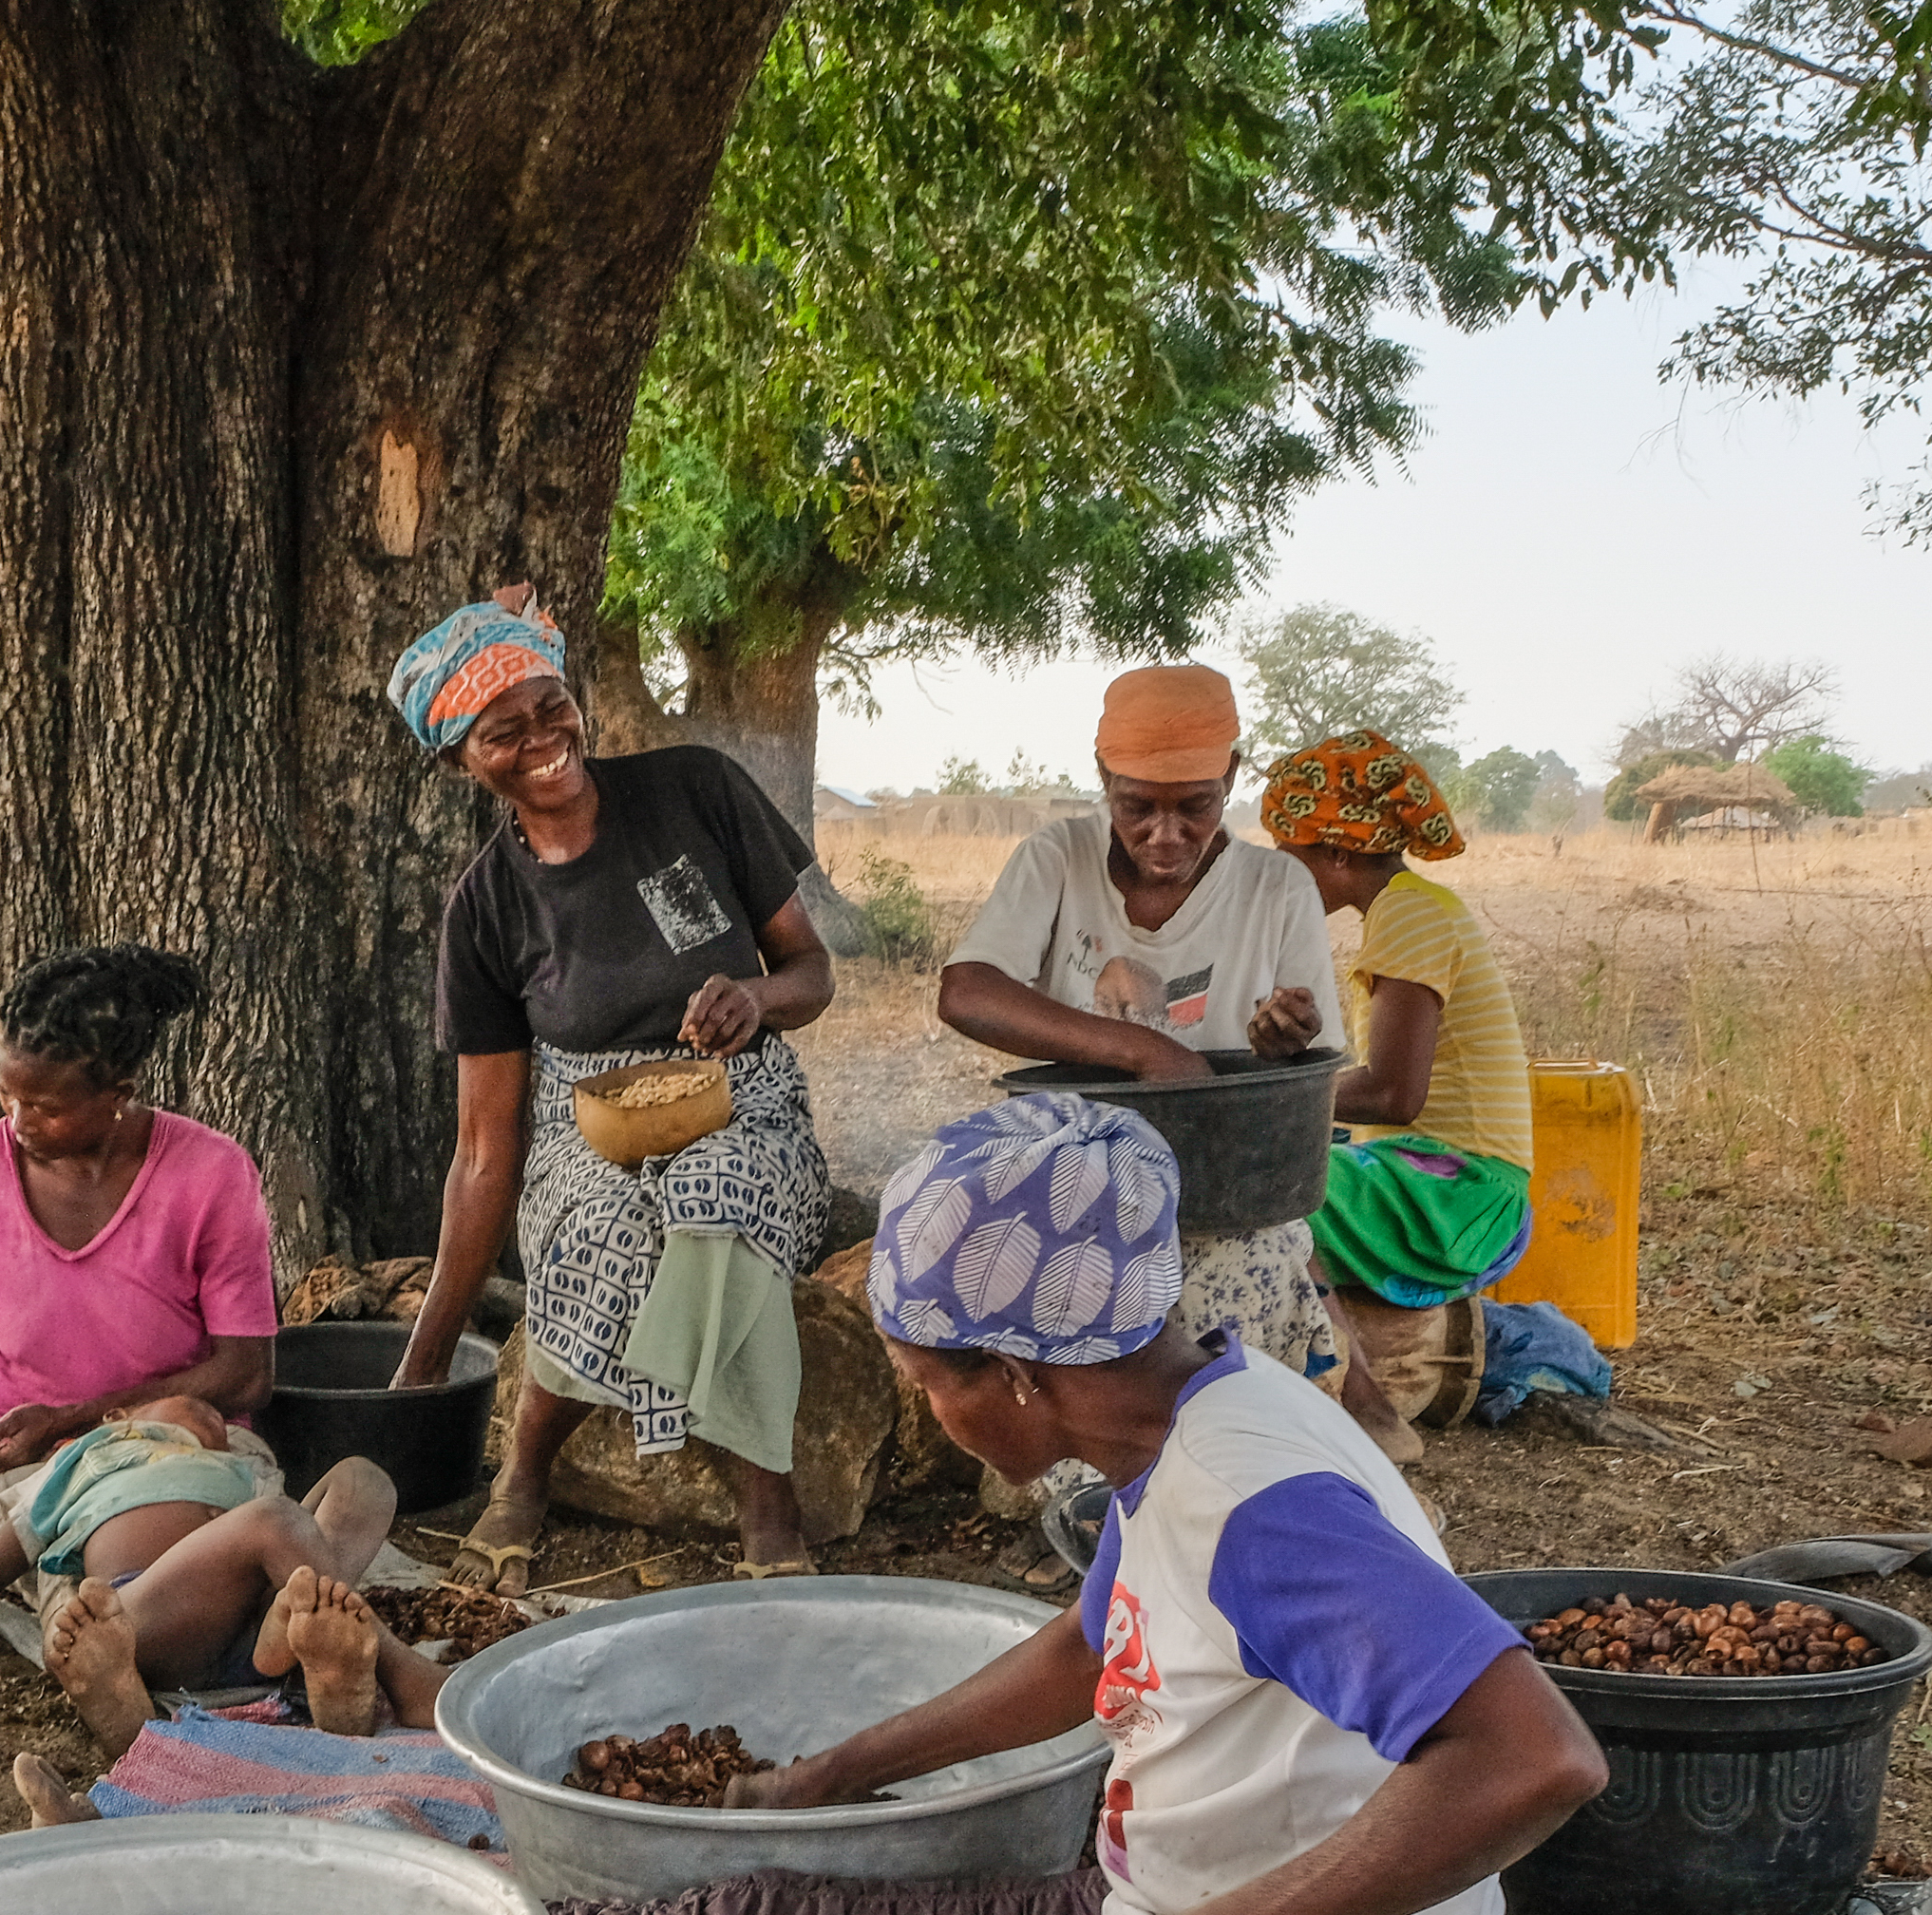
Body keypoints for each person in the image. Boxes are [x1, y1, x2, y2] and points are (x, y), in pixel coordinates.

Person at [473, 1092, 1609, 1915]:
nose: (927, 1409)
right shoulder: (1195, 1407)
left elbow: (1535, 1756)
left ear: (1017, 1372)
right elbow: (1087, 1648)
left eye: (926, 1384)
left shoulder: (1260, 1508)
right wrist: (829, 1772)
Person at [387, 589, 837, 1587]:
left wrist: (757, 999)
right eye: (504, 732)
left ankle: (768, 1499)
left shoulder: (694, 790)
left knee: (716, 1199)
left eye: (553, 708)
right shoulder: (485, 910)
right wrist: (423, 1363)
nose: (543, 739)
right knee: (600, 1230)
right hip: (585, 1129)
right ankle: (527, 1470)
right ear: (461, 759)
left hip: (743, 1097)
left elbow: (813, 972)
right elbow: (483, 1145)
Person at [937, 663, 1350, 1384]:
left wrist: (1280, 1041)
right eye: (1136, 807)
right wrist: (1147, 1052)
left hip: (1219, 1181)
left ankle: (1222, 1447)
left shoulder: (1276, 888)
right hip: (1070, 1164)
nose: (1165, 834)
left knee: (1239, 1268)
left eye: (1196, 805)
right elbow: (967, 992)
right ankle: (1086, 1478)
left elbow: (1306, 1072)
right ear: (1102, 777)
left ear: (1232, 775)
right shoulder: (1058, 859)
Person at [0, 944, 282, 1499]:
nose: (17, 1122)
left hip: (179, 1446)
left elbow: (246, 1373)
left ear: (118, 1095)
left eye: (46, 1108)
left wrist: (68, 1419)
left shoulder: (212, 1175)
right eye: (5, 1094)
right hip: (26, 1467)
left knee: (147, 1536)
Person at [0, 1397, 446, 1809]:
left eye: (218, 1422)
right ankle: (398, 1677)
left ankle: (308, 1640)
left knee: (362, 1480)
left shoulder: (240, 1469)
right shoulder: (78, 1460)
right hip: (139, 1614)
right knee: (276, 1522)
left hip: (253, 1609)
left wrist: (293, 1565)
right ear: (119, 1417)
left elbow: (300, 1537)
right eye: (189, 1406)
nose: (210, 1419)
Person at [1262, 730, 1537, 1462]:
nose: (1282, 881)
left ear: (1338, 853)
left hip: (1465, 1195)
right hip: (1439, 1179)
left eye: (1289, 859)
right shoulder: (1405, 909)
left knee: (1264, 1184)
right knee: (1281, 1162)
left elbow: (1392, 1094)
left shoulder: (1410, 914)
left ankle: (1366, 1405)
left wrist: (1270, 1107)